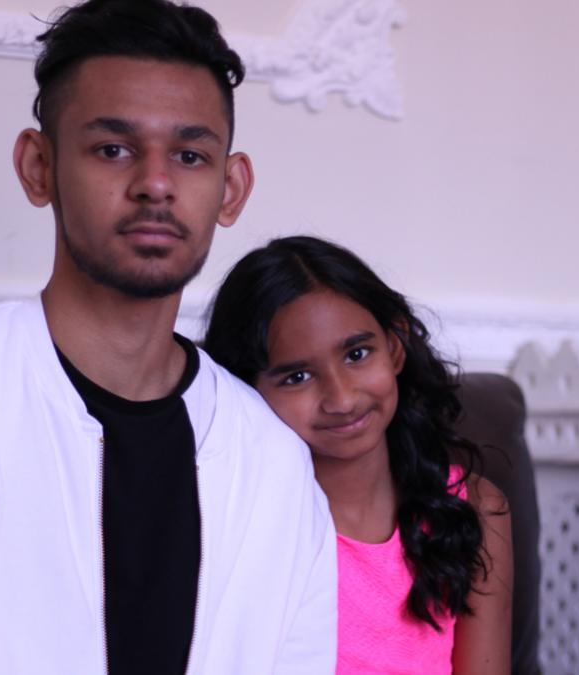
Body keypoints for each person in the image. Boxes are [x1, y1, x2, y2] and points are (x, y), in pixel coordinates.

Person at [0, 1, 336, 673]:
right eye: (113, 149)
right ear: (39, 167)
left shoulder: (274, 463)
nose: (155, 184)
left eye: (189, 155)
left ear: (230, 189)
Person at [204, 236, 514, 674]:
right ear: (247, 391)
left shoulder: (476, 510)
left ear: (395, 346)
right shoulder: (238, 529)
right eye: (297, 377)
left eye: (357, 354)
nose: (342, 399)